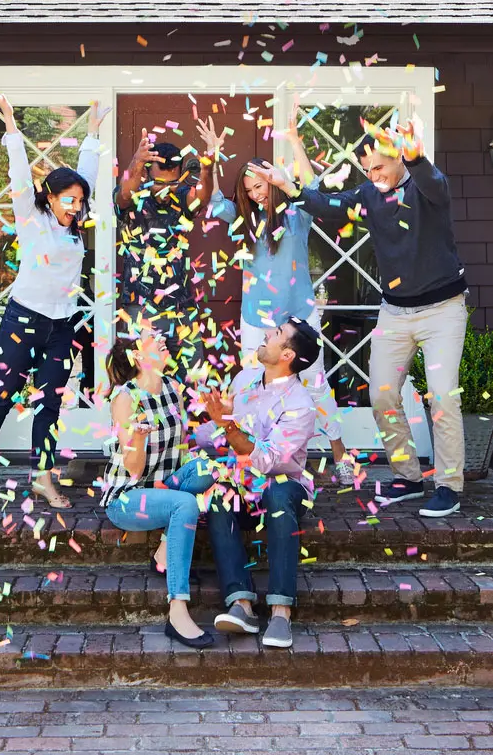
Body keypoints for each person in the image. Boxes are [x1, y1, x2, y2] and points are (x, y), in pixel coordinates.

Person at [250, 115, 468, 518]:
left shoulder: (426, 187)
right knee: (382, 393)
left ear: (400, 158)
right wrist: (288, 186)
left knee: (440, 396)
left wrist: (416, 154)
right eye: (367, 170)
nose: (374, 176)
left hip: (442, 310)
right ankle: (408, 475)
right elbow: (329, 206)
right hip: (395, 311)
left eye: (380, 167)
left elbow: (434, 182)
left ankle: (449, 485)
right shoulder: (369, 194)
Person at [0, 87, 110, 510]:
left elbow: (88, 174)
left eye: (80, 201)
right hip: (24, 319)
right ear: (50, 197)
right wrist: (9, 123)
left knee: (50, 403)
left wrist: (93, 132)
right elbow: (20, 177)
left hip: (62, 325)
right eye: (70, 200)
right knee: (2, 395)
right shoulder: (32, 217)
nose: (77, 206)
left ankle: (42, 477)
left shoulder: (74, 220)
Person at [197, 110, 354, 486]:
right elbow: (209, 198)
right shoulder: (241, 219)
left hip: (299, 316)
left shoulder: (299, 213)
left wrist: (294, 136)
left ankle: (340, 453)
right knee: (252, 390)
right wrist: (211, 158)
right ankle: (259, 458)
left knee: (316, 385)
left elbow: (312, 185)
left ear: (273, 179)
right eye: (249, 189)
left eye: (261, 183)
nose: (256, 192)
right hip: (258, 323)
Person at [194, 318, 319, 649]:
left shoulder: (300, 405)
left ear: (288, 355)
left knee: (278, 494)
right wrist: (213, 422)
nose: (266, 335)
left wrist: (229, 428)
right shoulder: (245, 379)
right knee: (219, 495)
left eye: (276, 334)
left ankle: (281, 611)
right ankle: (242, 604)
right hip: (241, 485)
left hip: (285, 487)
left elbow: (270, 460)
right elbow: (213, 439)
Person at [101, 328, 215, 648]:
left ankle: (164, 551)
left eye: (162, 337)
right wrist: (136, 438)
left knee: (212, 469)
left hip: (164, 486)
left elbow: (180, 452)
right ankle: (177, 611)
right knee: (185, 506)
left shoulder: (172, 388)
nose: (163, 340)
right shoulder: (125, 398)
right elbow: (134, 469)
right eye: (153, 338)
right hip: (127, 497)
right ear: (138, 355)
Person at [114, 129, 215, 384]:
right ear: (148, 172)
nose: (164, 190)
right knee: (138, 379)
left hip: (181, 307)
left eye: (171, 183)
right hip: (139, 308)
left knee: (193, 381)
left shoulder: (182, 196)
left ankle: (181, 425)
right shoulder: (134, 195)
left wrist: (208, 168)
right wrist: (137, 160)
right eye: (159, 182)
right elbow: (123, 196)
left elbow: (201, 197)